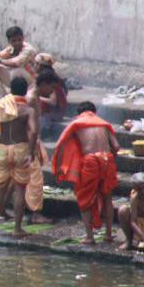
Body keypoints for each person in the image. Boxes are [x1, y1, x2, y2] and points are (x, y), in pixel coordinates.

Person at [51, 100, 119, 244]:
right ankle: (108, 234)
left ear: (79, 114)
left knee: (84, 199)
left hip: (90, 161)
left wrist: (57, 166)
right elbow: (117, 147)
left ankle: (89, 237)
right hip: (108, 158)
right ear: (94, 112)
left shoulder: (77, 124)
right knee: (107, 198)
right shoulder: (103, 124)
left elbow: (59, 144)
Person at [0, 77, 37, 237]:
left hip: (2, 149)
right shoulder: (28, 110)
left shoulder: (1, 105)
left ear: (10, 90)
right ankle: (17, 229)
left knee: (0, 190)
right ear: (25, 91)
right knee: (20, 191)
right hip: (20, 149)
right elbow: (33, 131)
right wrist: (31, 153)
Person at [23, 69, 60, 223]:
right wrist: (32, 148)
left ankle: (7, 210)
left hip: (31, 140)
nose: (51, 92)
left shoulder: (34, 92)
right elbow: (28, 125)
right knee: (35, 179)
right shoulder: (31, 98)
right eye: (50, 88)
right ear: (43, 84)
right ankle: (36, 215)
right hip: (28, 141)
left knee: (21, 179)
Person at [0, 25, 37, 99]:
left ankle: (16, 98)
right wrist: (4, 66)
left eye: (19, 39)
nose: (17, 43)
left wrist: (0, 60)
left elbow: (15, 63)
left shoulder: (28, 49)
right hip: (15, 77)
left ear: (23, 38)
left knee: (16, 70)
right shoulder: (10, 49)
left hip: (32, 82)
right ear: (9, 41)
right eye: (14, 41)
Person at [34, 53, 68, 137]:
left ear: (39, 65)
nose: (34, 66)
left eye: (36, 64)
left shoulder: (49, 80)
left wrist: (37, 97)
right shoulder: (48, 77)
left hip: (56, 113)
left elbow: (53, 102)